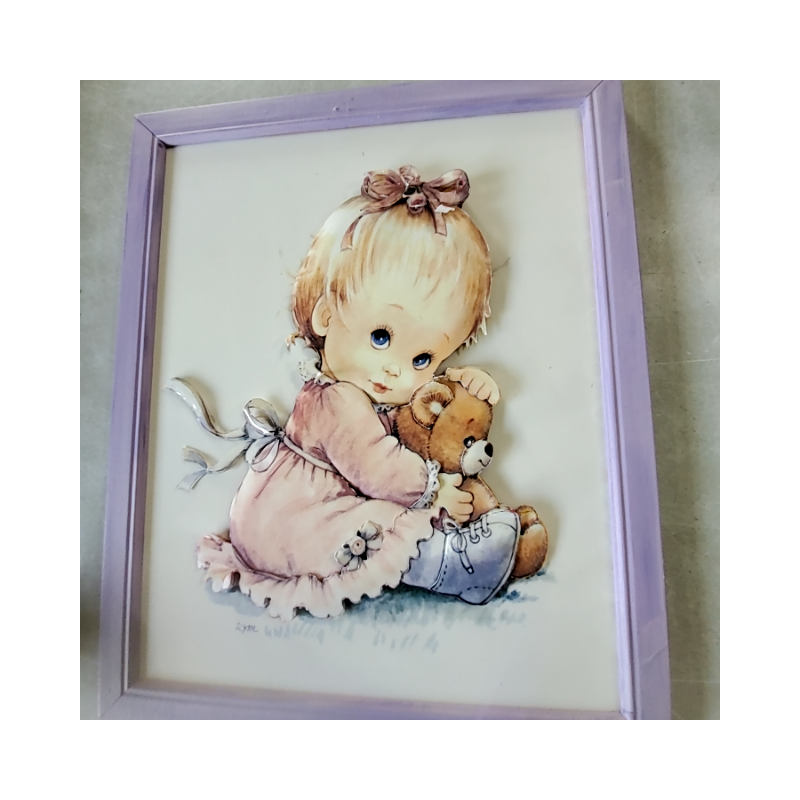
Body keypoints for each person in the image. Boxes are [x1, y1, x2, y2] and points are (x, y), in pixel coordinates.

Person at [196, 166, 525, 621]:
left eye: (423, 359)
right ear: (326, 316)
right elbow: (380, 468)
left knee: (374, 514)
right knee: (379, 521)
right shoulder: (337, 402)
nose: (397, 370)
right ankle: (451, 566)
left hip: (287, 519)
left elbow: (403, 430)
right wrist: (434, 491)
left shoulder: (352, 394)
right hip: (293, 525)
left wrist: (460, 388)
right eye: (381, 337)